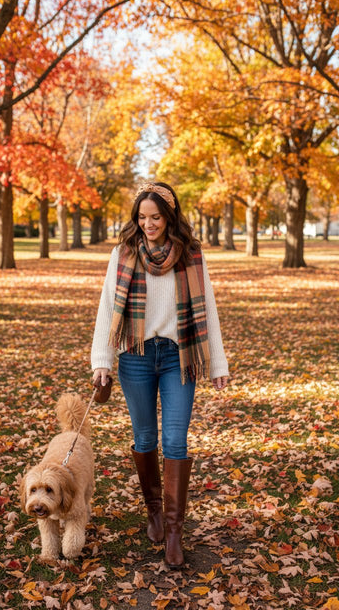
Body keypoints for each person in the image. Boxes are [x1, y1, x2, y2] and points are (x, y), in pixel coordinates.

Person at [91, 182, 229, 568]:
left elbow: (209, 309)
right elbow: (106, 307)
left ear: (170, 217)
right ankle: (154, 510)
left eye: (155, 217)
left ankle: (173, 530)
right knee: (145, 437)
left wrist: (217, 364)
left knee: (176, 440)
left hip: (178, 356)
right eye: (142, 217)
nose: (148, 224)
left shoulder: (191, 254)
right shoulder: (123, 254)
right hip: (134, 355)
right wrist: (102, 359)